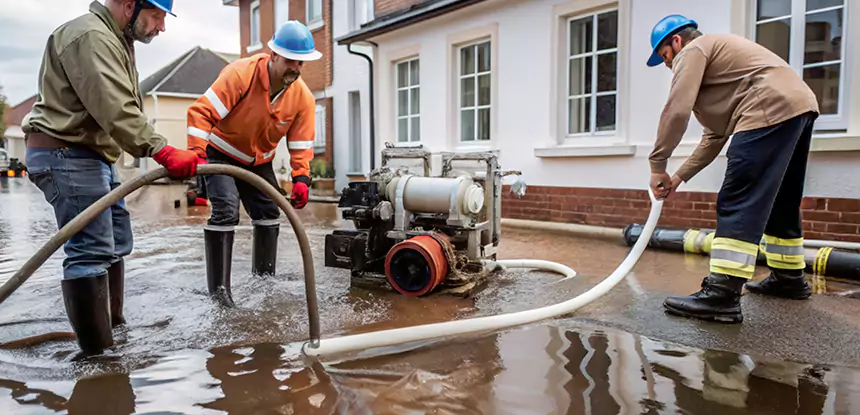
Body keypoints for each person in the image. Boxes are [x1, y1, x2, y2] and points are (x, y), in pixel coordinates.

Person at [23, 0, 202, 355]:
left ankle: (113, 332)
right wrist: (161, 150)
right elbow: (115, 108)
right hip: (65, 153)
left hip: (89, 155)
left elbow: (122, 108)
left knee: (115, 240)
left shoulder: (114, 38)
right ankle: (99, 362)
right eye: (157, 16)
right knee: (90, 252)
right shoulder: (90, 36)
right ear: (129, 5)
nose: (161, 27)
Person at [646, 15, 820, 324]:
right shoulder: (722, 68)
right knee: (781, 201)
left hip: (766, 107)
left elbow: (676, 110)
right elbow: (713, 138)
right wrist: (677, 177)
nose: (667, 65)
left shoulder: (694, 50)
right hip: (797, 107)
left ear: (676, 41)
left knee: (739, 198)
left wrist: (657, 165)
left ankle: (722, 294)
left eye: (664, 56)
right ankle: (789, 279)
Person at [186, 20, 318, 307]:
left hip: (258, 161)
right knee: (226, 210)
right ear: (273, 56)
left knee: (270, 210)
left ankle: (264, 285)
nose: (295, 69)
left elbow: (301, 144)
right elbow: (201, 113)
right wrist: (197, 155)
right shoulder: (240, 75)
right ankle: (220, 295)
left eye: (301, 64)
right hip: (218, 153)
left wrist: (301, 178)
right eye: (290, 61)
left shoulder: (302, 98)